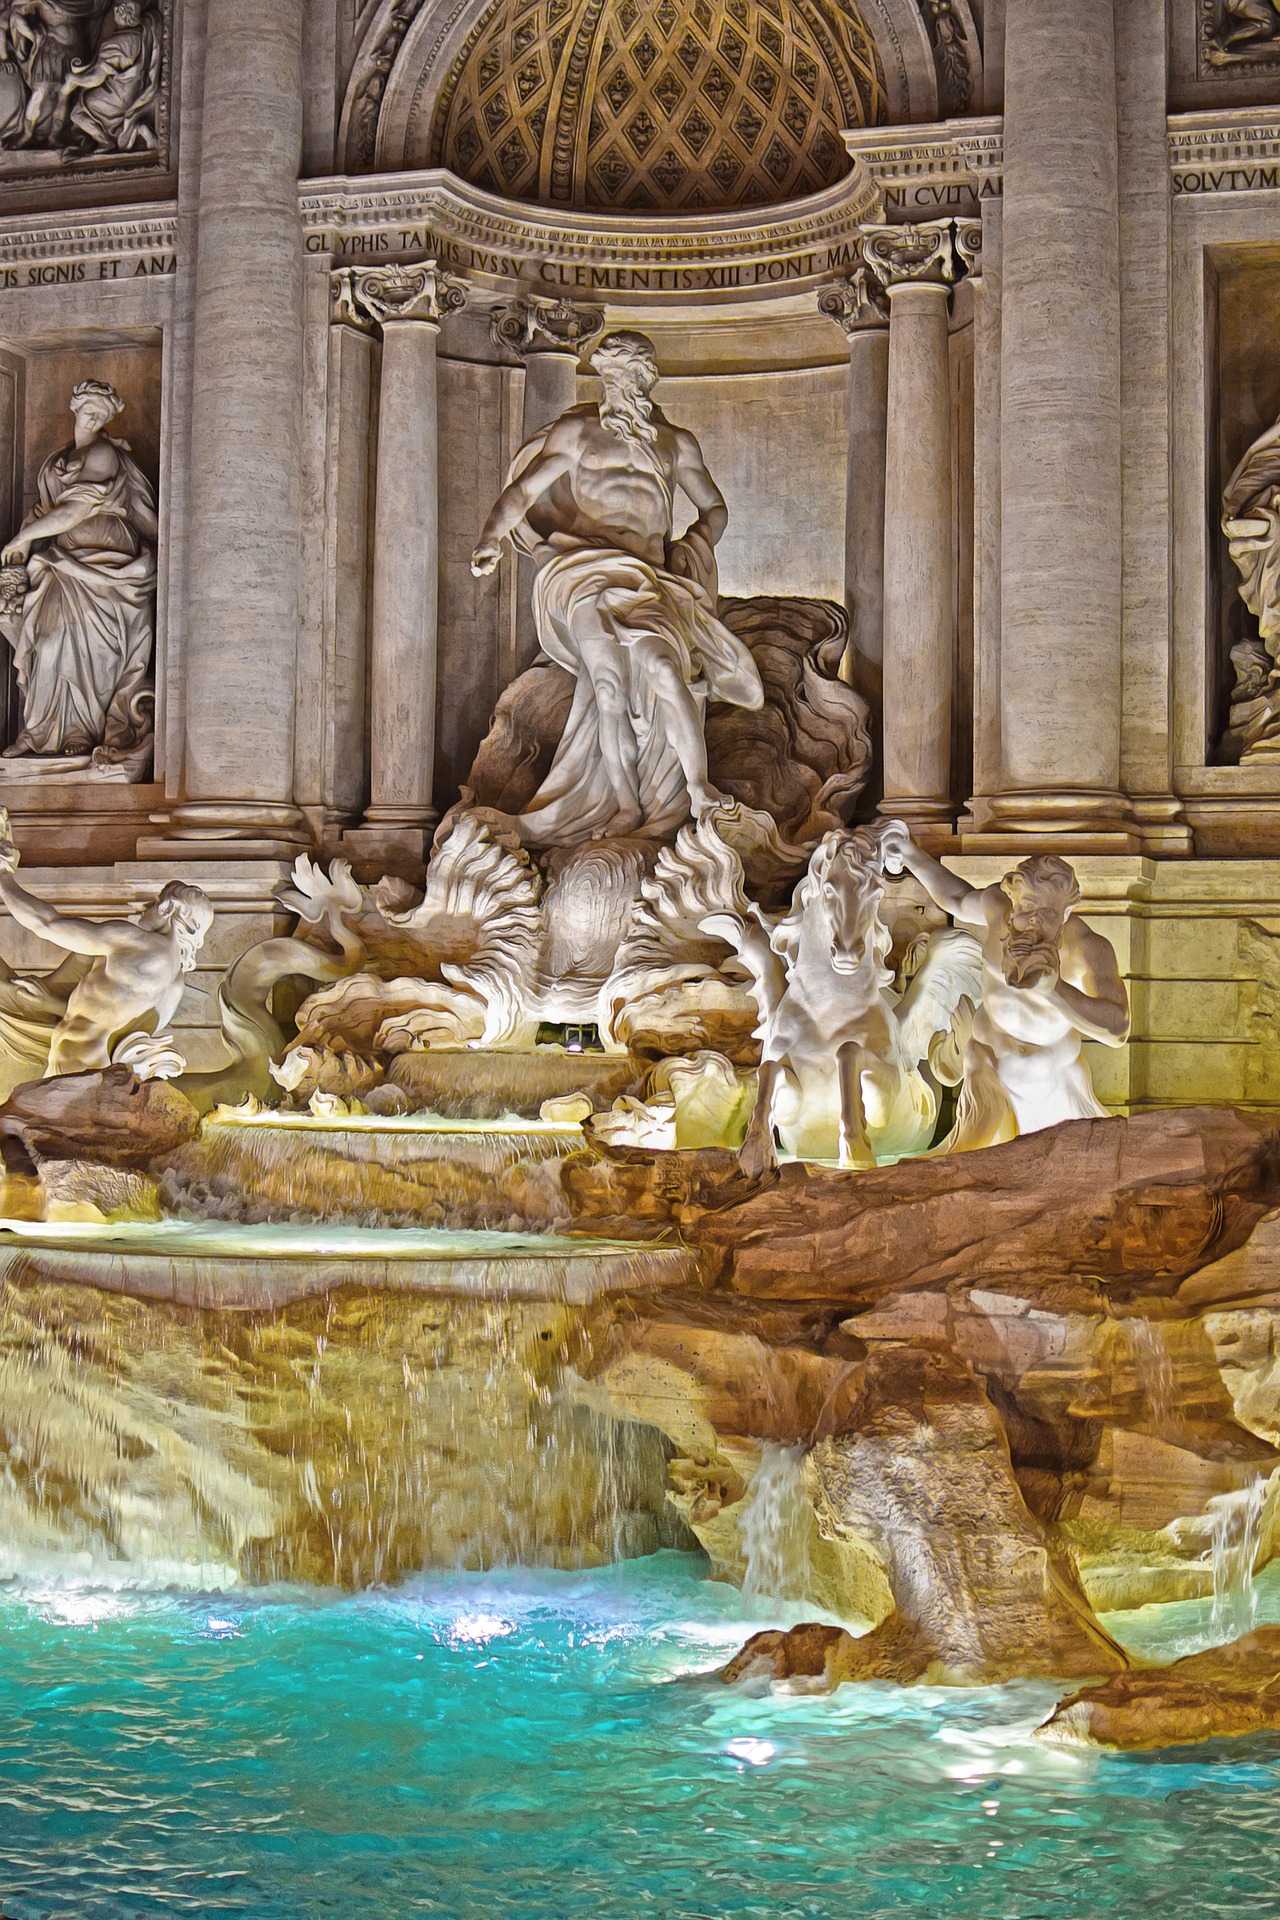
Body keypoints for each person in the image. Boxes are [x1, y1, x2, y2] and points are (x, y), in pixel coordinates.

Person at [471, 329, 762, 846]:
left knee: (664, 669)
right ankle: (627, 806)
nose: (617, 387)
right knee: (606, 686)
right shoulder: (577, 431)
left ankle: (698, 786)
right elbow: (522, 491)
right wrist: (491, 537)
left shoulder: (676, 443)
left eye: (626, 376)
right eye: (609, 376)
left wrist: (695, 541)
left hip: (648, 579)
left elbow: (714, 507)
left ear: (647, 378)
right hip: (583, 572)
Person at [879, 821, 1129, 1149]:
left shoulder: (1087, 949)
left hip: (1050, 1090)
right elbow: (956, 896)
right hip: (986, 1082)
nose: (1033, 920)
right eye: (1026, 907)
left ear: (1066, 912)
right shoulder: (999, 910)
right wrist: (910, 854)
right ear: (1013, 899)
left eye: (1048, 912)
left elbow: (1118, 1029)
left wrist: (1054, 991)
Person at [1, 379, 157, 759]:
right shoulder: (57, 463)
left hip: (107, 569)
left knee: (88, 653)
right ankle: (40, 733)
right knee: (49, 642)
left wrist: (22, 539)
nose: (94, 418)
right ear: (75, 407)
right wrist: (24, 543)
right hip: (63, 565)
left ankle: (80, 731)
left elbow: (75, 510)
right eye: (89, 410)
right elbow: (46, 511)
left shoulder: (104, 454)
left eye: (102, 414)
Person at [0, 849, 212, 1075]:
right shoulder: (175, 985)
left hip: (72, 1066)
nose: (146, 907)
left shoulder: (137, 943)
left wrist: (4, 877)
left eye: (156, 901)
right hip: (89, 1070)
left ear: (169, 908)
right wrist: (51, 1005)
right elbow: (110, 1022)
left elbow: (46, 924)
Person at [60, 0, 159, 152]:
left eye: (116, 11)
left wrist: (73, 80)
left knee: (78, 113)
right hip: (136, 91)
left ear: (122, 14)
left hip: (116, 96)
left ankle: (106, 142)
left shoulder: (115, 44)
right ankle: (137, 129)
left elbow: (96, 78)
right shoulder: (141, 37)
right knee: (110, 121)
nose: (113, 15)